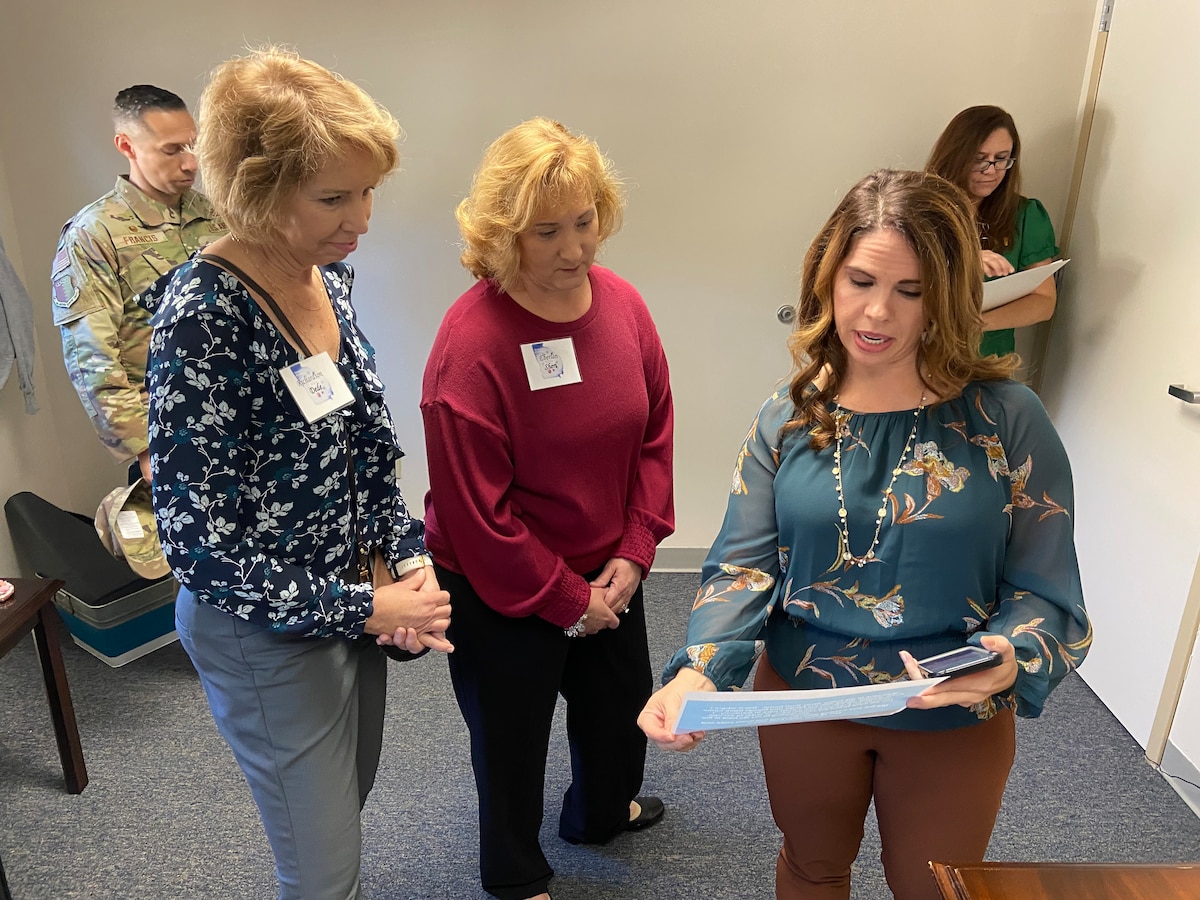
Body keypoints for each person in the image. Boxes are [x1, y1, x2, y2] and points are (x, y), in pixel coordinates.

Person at [639, 169, 1092, 900]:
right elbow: (742, 569)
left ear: (945, 297)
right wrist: (701, 667)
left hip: (952, 708)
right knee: (812, 869)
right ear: (828, 277)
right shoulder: (787, 418)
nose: (876, 312)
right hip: (804, 699)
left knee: (935, 888)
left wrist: (1013, 658)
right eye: (859, 280)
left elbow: (1045, 585)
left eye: (910, 291)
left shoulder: (1007, 419)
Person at [143, 48, 451, 900]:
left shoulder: (328, 278)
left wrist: (400, 558)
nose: (362, 218)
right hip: (263, 633)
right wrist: (366, 604)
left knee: (341, 819)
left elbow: (365, 447)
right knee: (321, 872)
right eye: (334, 198)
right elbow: (197, 547)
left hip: (352, 604)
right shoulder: (203, 317)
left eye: (366, 192)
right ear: (257, 188)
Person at [421, 117, 675, 900]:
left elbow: (656, 432)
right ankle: (515, 871)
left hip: (609, 569)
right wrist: (569, 603)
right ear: (503, 235)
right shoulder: (470, 345)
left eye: (585, 221)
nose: (574, 249)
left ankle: (599, 814)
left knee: (618, 719)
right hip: (498, 585)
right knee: (510, 743)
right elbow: (477, 515)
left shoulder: (624, 305)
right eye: (546, 232)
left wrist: (633, 552)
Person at [52, 85, 226, 483]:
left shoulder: (216, 216)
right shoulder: (95, 233)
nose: (190, 163)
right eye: (172, 150)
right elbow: (91, 356)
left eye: (192, 146)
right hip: (166, 426)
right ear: (127, 146)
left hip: (237, 411)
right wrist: (144, 446)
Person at [926, 105, 1059, 357]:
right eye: (979, 159)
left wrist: (976, 324)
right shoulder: (919, 208)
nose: (991, 171)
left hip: (987, 360)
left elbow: (1044, 302)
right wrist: (965, 258)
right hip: (921, 356)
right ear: (956, 156)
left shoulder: (1026, 215)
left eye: (1001, 159)